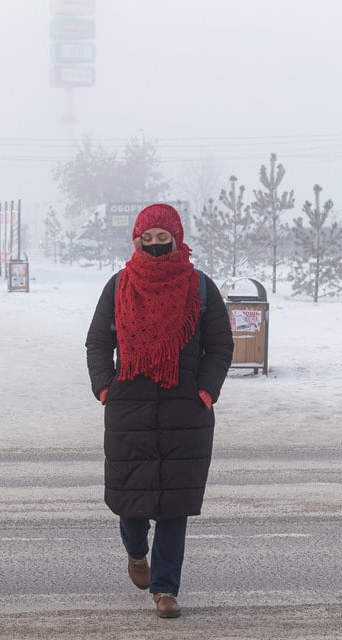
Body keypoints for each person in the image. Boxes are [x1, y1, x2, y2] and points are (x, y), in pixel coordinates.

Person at [84, 203, 233, 619]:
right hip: (129, 407)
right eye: (146, 239)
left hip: (185, 411)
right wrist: (105, 388)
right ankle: (136, 553)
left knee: (174, 506)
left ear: (176, 238)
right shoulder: (119, 286)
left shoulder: (200, 287)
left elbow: (221, 345)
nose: (154, 245)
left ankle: (165, 589)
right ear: (136, 240)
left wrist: (204, 391)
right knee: (131, 502)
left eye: (161, 238)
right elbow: (97, 342)